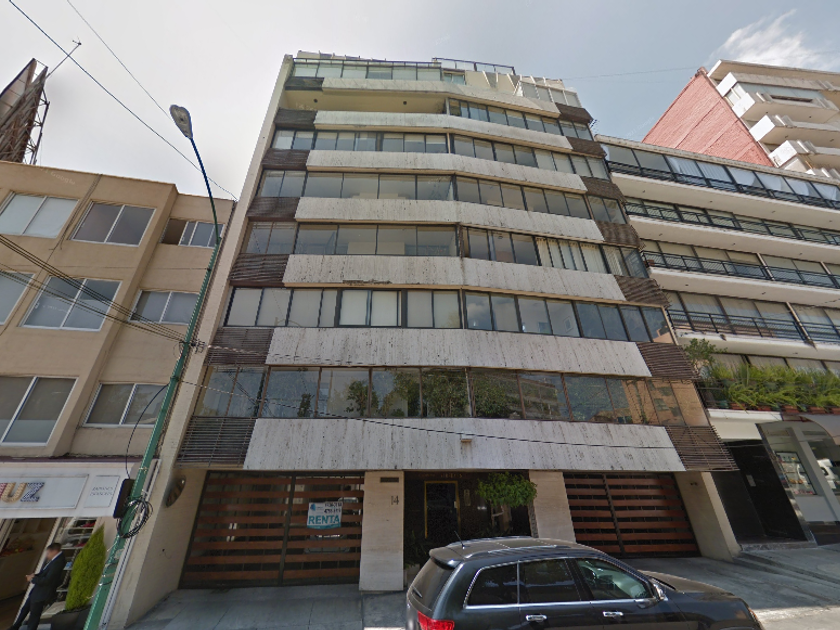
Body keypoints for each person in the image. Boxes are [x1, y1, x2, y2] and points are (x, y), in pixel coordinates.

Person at [8, 542, 66, 630]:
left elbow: (48, 580)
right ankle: (15, 626)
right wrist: (35, 576)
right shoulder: (55, 561)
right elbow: (44, 573)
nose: (47, 555)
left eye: (48, 553)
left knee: (34, 615)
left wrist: (32, 579)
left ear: (54, 551)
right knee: (25, 609)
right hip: (37, 591)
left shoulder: (58, 562)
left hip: (42, 593)